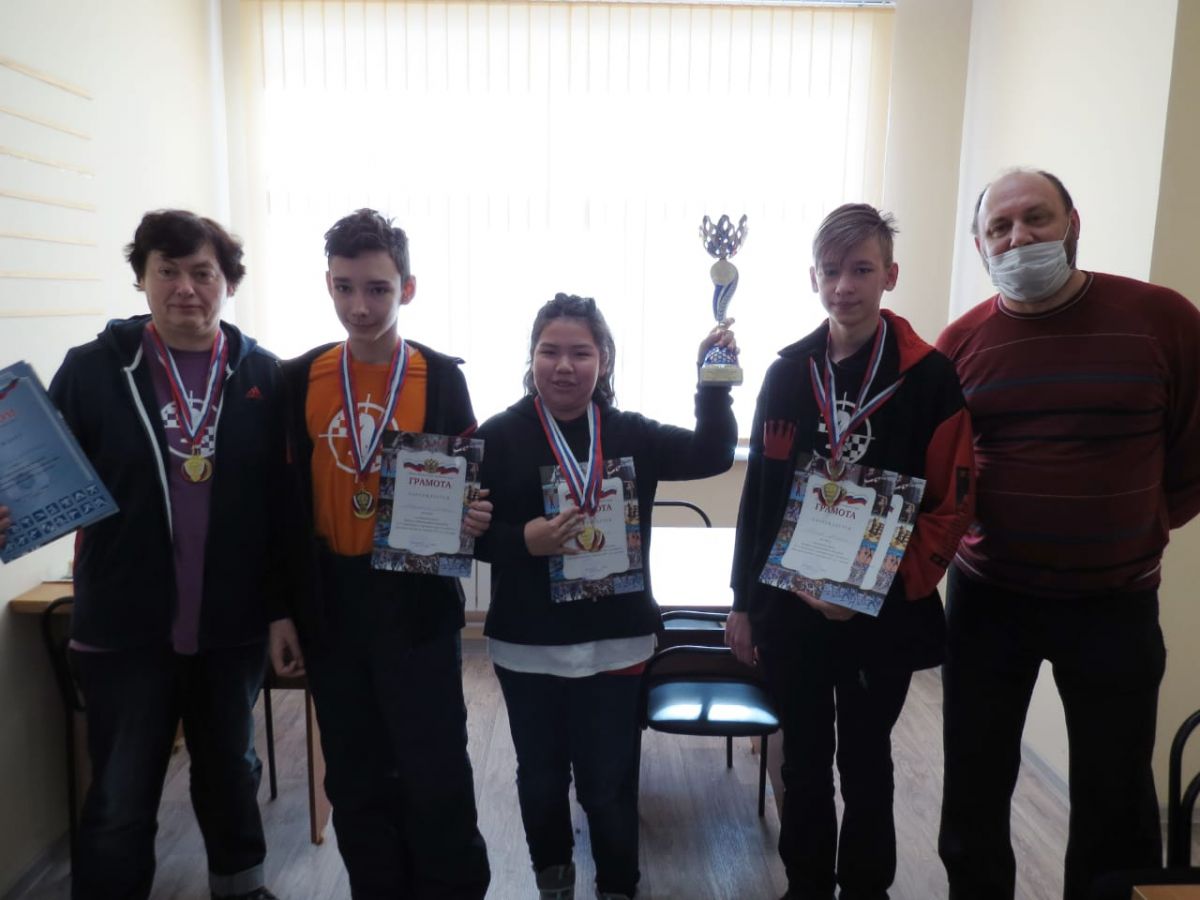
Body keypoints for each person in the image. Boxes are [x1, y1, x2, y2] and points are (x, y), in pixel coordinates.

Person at [935, 168, 1200, 900]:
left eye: (1036, 218)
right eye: (999, 228)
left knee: (1116, 798)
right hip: (989, 601)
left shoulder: (1162, 320)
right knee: (974, 785)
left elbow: (1192, 450)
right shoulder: (960, 343)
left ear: (1072, 224)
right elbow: (946, 470)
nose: (1019, 238)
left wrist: (1139, 525)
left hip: (1115, 605)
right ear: (981, 246)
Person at [45, 210, 298, 900]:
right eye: (168, 271)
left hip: (231, 627)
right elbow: (40, 475)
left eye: (202, 272)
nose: (185, 287)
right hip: (124, 626)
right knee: (121, 791)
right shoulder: (93, 370)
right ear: (143, 279)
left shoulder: (264, 375)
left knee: (232, 771)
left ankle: (241, 887)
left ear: (228, 283)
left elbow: (282, 510)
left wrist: (280, 610)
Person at [725, 203, 975, 900]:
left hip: (880, 616)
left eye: (861, 269)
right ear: (813, 278)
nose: (845, 286)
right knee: (802, 760)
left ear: (890, 275)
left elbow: (952, 503)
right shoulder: (786, 374)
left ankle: (866, 889)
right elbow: (759, 498)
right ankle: (806, 886)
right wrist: (743, 602)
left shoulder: (931, 379)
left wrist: (877, 587)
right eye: (831, 270)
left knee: (866, 762)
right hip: (791, 610)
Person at [473, 293, 737, 900]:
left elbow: (714, 453)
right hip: (528, 645)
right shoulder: (498, 437)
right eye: (550, 351)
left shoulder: (631, 433)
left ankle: (618, 886)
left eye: (581, 353)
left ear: (604, 360)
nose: (564, 366)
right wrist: (523, 541)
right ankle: (554, 880)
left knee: (608, 784)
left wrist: (713, 383)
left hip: (617, 644)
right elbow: (467, 538)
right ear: (531, 357)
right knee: (541, 780)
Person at [279, 208, 491, 899]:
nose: (360, 307)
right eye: (344, 288)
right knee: (354, 772)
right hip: (331, 603)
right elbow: (279, 507)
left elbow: (470, 486)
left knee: (435, 767)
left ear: (408, 289)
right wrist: (281, 611)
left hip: (415, 601)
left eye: (377, 289)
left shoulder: (441, 378)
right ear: (329, 285)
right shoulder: (299, 378)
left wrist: (473, 514)